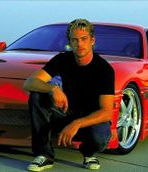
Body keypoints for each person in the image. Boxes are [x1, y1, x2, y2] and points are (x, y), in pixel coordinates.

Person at [23, 18, 115, 172]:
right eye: (75, 40)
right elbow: (29, 83)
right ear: (70, 42)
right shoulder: (62, 59)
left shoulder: (104, 69)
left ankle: (89, 153)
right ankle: (44, 155)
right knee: (37, 96)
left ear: (92, 40)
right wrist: (52, 88)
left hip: (89, 122)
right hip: (64, 113)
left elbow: (106, 112)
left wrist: (77, 124)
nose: (79, 44)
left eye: (84, 39)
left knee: (100, 136)